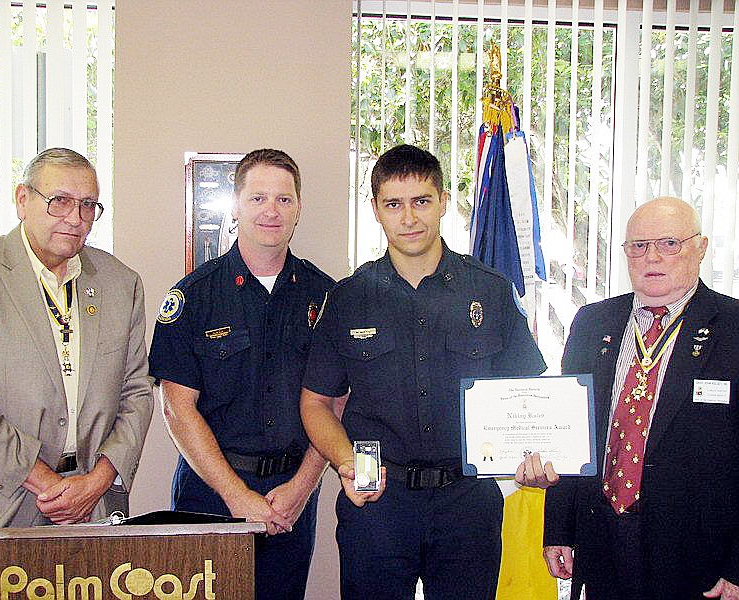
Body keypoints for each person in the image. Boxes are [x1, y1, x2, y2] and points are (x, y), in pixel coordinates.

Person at [300, 144, 547, 600]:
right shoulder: (349, 298)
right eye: (394, 204)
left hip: (468, 501)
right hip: (378, 501)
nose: (409, 218)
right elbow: (315, 402)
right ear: (376, 209)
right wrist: (346, 462)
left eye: (421, 201)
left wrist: (534, 454)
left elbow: (526, 394)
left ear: (443, 202)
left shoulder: (490, 290)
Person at [0, 148, 154, 594]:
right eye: (59, 201)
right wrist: (49, 483)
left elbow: (137, 392)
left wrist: (97, 481)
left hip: (94, 503)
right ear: (22, 199)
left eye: (88, 205)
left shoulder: (121, 282)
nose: (75, 218)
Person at [525, 197, 739, 600]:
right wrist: (559, 530)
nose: (651, 257)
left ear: (700, 248)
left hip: (699, 559)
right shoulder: (592, 323)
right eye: (638, 246)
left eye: (669, 244)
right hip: (603, 538)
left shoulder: (732, 327)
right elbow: (572, 430)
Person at [148, 149, 334, 600]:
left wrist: (303, 487)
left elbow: (334, 403)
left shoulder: (325, 297)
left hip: (290, 494)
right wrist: (236, 496)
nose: (271, 210)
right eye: (258, 198)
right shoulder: (193, 297)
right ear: (236, 206)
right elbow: (177, 410)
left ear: (298, 208)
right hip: (210, 492)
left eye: (284, 199)